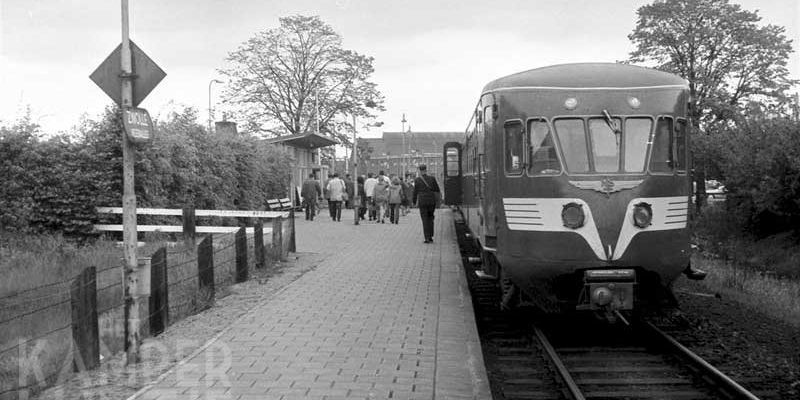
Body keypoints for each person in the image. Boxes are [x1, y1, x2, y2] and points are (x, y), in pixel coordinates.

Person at [412, 164, 441, 243]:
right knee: (431, 218)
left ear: (420, 171)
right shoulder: (432, 178)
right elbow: (437, 189)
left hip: (422, 202)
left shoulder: (417, 180)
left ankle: (427, 237)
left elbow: (415, 192)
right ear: (426, 170)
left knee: (424, 219)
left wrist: (414, 201)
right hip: (431, 201)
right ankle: (431, 236)